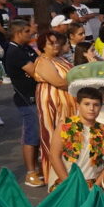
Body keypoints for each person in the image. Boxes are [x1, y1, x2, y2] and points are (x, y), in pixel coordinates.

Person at [3, 20, 43, 187]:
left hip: (35, 97)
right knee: (31, 136)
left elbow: (40, 61)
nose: (31, 33)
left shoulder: (25, 48)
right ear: (18, 33)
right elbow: (36, 71)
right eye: (27, 31)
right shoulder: (14, 52)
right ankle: (30, 173)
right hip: (27, 99)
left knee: (38, 135)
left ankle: (37, 168)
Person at [48, 86, 104, 190]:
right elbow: (54, 156)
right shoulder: (64, 126)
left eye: (96, 105)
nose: (91, 108)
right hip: (66, 183)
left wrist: (97, 185)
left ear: (101, 107)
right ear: (78, 105)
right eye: (87, 104)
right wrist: (69, 184)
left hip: (92, 186)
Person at [34, 30, 75, 189]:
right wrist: (78, 84)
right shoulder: (43, 61)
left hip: (67, 102)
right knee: (53, 137)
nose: (56, 45)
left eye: (57, 42)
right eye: (51, 43)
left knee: (68, 137)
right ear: (43, 46)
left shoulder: (60, 58)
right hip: (52, 103)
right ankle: (54, 176)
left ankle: (67, 171)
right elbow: (58, 82)